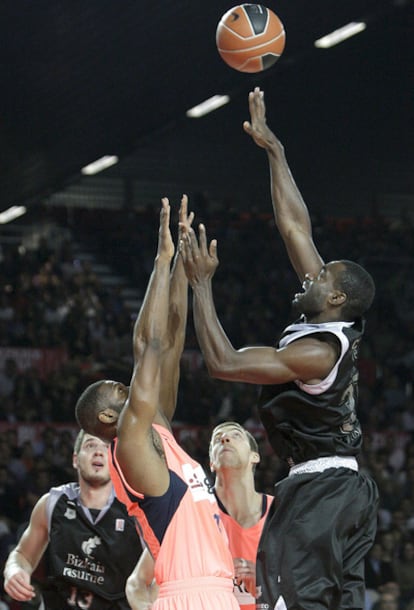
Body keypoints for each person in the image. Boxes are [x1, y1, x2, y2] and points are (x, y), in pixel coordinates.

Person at [180, 87, 379, 610]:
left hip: (323, 488)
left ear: (335, 297)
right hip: (335, 488)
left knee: (287, 599)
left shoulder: (317, 351)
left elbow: (223, 364)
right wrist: (276, 152)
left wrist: (201, 286)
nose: (310, 275)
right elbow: (294, 226)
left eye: (322, 276)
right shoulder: (327, 322)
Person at [75, 198, 240, 610]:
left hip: (218, 590)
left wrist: (183, 270)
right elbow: (147, 344)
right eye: (117, 388)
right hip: (188, 594)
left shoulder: (156, 428)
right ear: (108, 416)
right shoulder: (128, 443)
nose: (126, 386)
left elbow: (171, 341)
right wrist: (162, 261)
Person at [125, 421, 273, 610]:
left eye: (236, 435)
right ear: (211, 462)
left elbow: (306, 579)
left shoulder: (278, 511)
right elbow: (137, 583)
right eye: (217, 439)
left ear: (255, 456)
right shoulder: (189, 509)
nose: (225, 439)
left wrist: (264, 579)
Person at [3, 428, 142, 610]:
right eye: (91, 445)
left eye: (107, 448)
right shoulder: (52, 503)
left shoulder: (136, 512)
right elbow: (22, 555)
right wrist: (15, 570)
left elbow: (157, 575)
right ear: (75, 460)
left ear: (116, 462)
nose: (99, 452)